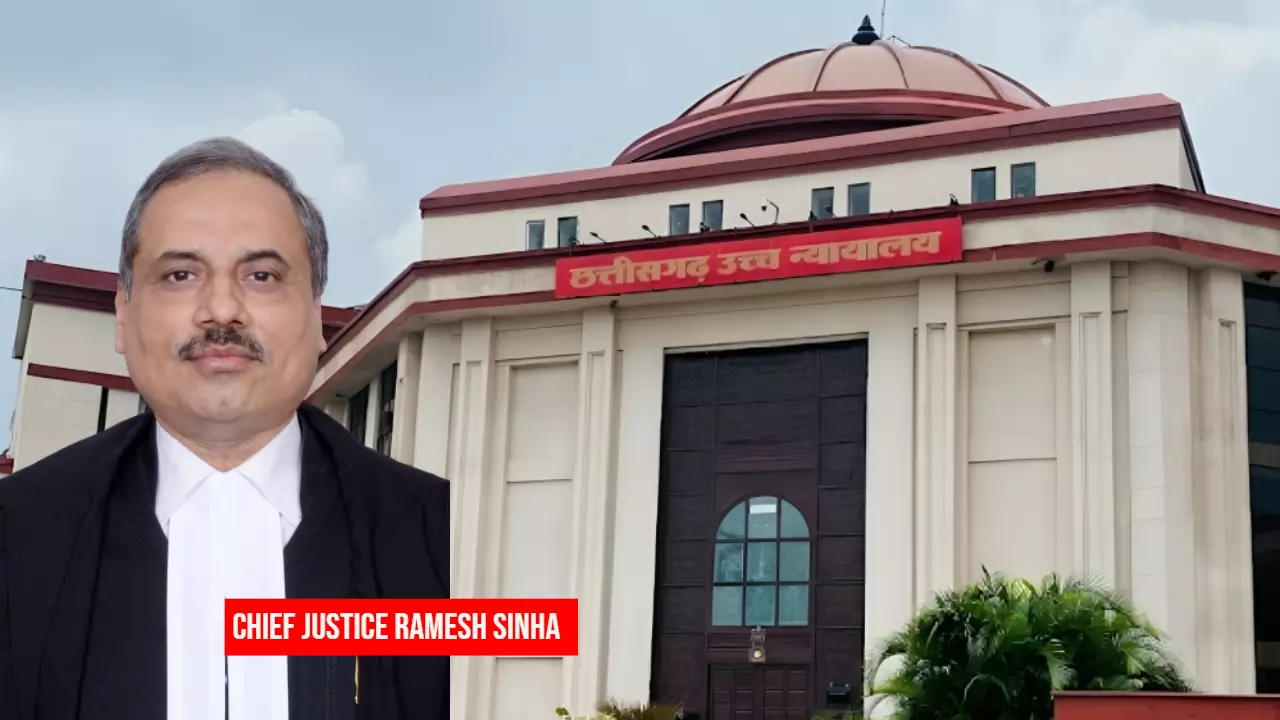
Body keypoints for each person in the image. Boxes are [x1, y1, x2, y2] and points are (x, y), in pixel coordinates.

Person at [0, 137, 450, 720]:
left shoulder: (447, 542)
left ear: (317, 315)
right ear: (123, 315)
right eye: (180, 274)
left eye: (261, 275)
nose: (221, 309)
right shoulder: (17, 539)